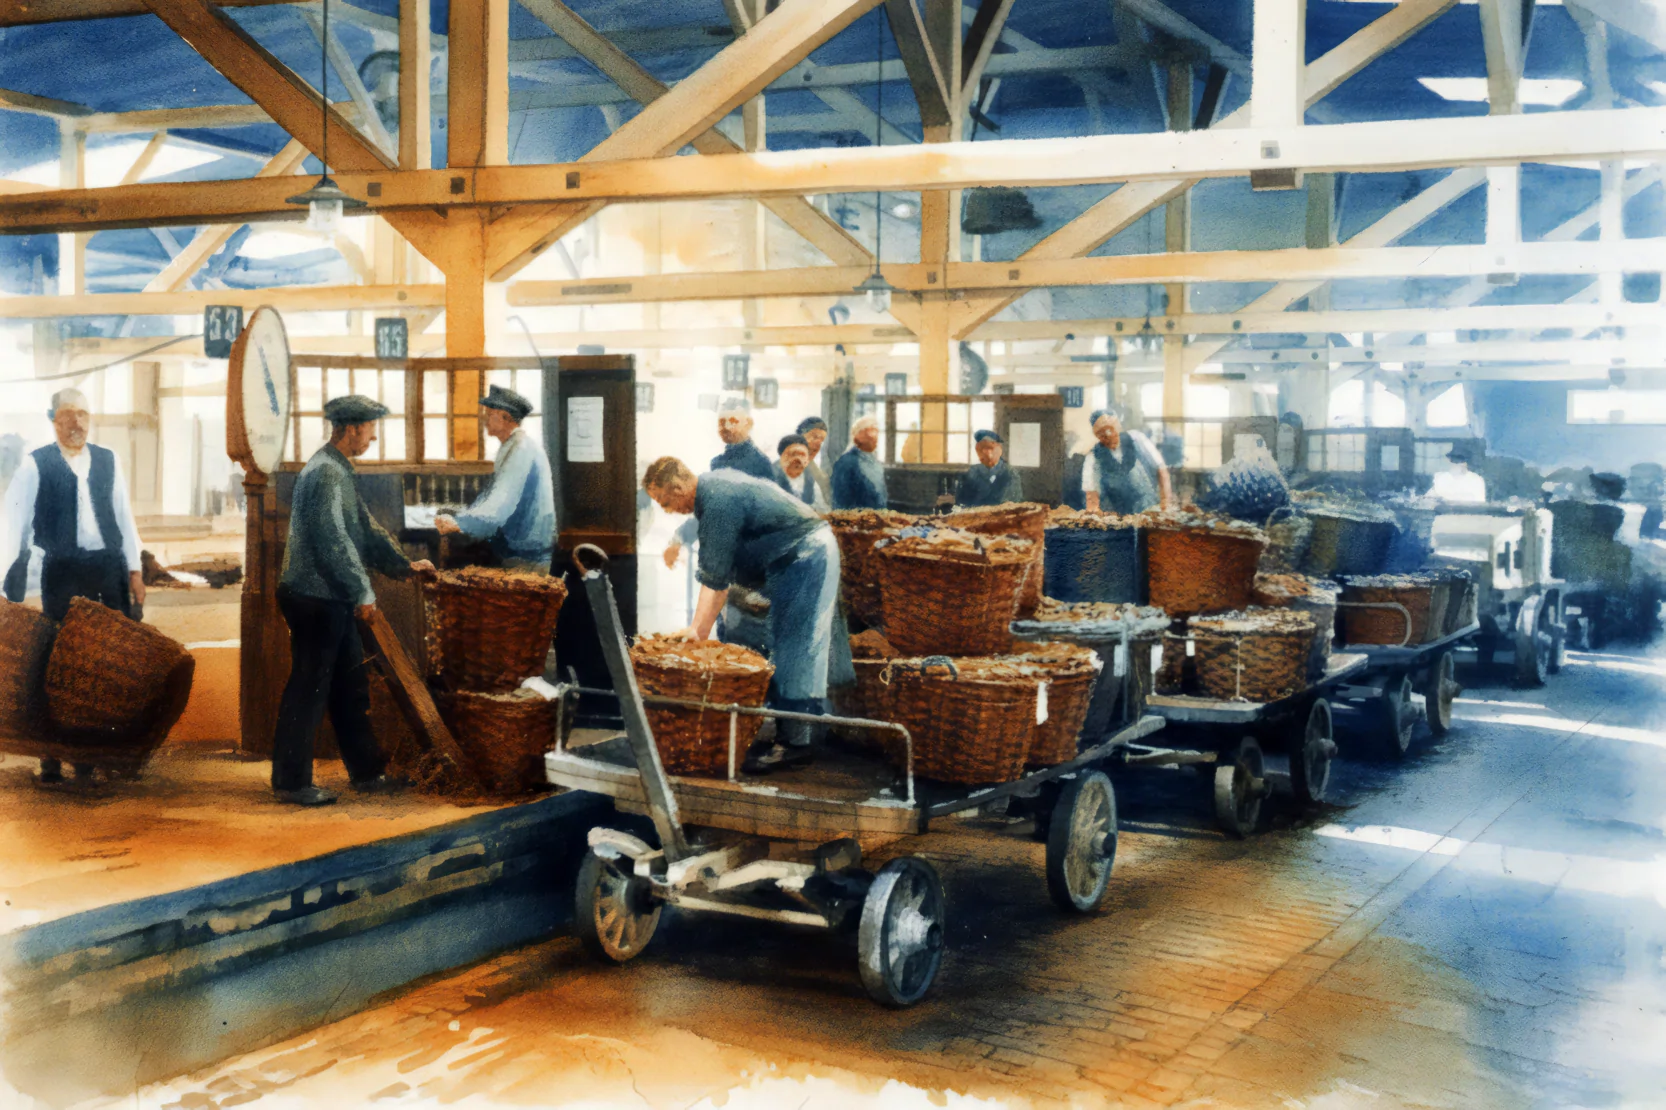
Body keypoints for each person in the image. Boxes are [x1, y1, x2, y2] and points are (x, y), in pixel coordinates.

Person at [271, 395, 434, 806]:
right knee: (309, 688)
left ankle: (367, 774)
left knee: (350, 685)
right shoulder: (325, 472)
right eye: (370, 428)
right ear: (351, 428)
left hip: (329, 595)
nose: (374, 436)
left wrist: (404, 566)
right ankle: (291, 784)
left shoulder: (338, 468)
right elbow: (334, 542)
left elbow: (364, 527)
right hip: (312, 597)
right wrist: (363, 591)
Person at [642, 458, 850, 774]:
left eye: (666, 501)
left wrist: (697, 632)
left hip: (805, 556)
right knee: (792, 643)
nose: (668, 510)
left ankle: (797, 744)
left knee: (796, 647)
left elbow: (715, 578)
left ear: (678, 486)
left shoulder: (717, 499)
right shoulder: (713, 489)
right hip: (796, 556)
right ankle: (801, 731)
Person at [4, 388, 147, 786]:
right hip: (62, 570)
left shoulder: (108, 460)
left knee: (110, 660)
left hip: (109, 569)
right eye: (68, 415)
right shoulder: (36, 465)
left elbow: (124, 514)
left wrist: (134, 570)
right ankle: (53, 756)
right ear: (53, 420)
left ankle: (99, 754)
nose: (77, 423)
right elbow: (12, 523)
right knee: (59, 661)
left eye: (83, 414)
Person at [434, 385, 555, 572]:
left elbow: (501, 503)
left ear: (505, 417)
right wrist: (462, 518)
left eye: (490, 415)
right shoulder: (513, 446)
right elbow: (493, 496)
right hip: (521, 549)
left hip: (527, 556)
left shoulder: (521, 450)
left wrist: (460, 523)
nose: (485, 420)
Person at [662, 398, 774, 569]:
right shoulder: (718, 463)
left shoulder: (759, 464)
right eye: (722, 422)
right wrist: (679, 538)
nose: (727, 427)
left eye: (733, 421)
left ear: (748, 423)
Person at [1082, 406, 1172, 514]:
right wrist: (1094, 512)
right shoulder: (1093, 457)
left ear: (1117, 425)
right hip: (1119, 515)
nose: (1108, 435)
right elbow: (1091, 495)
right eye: (1101, 433)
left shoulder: (1136, 438)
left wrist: (1166, 502)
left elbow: (1161, 469)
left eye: (1110, 429)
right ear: (1096, 436)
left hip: (1149, 509)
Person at [831, 414, 888, 510]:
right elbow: (841, 503)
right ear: (858, 435)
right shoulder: (846, 462)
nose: (874, 437)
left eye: (876, 431)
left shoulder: (875, 462)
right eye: (870, 431)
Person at [956, 429, 1024, 507]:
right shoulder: (971, 473)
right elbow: (961, 502)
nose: (988, 454)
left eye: (991, 449)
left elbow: (1012, 504)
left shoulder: (1010, 474)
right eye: (982, 449)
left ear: (1000, 450)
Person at [775, 433, 829, 511]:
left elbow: (822, 507)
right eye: (793, 454)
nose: (798, 459)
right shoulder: (772, 476)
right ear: (782, 456)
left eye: (802, 455)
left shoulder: (809, 478)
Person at [797, 416, 834, 508]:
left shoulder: (816, 470)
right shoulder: (784, 468)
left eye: (821, 440)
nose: (817, 444)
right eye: (814, 437)